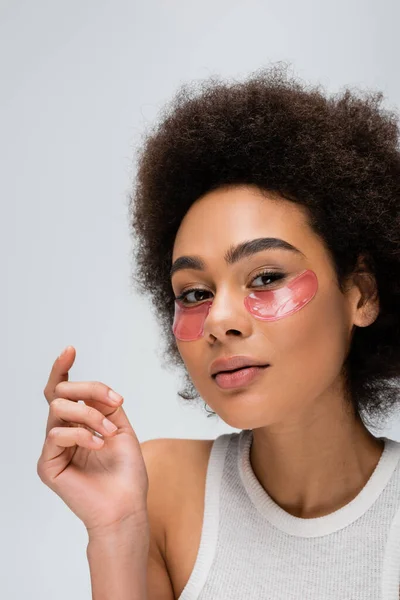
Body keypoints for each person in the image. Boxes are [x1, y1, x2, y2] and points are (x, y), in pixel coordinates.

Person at [37, 64, 400, 599]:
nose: (219, 321)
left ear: (362, 294)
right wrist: (115, 529)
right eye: (194, 293)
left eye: (267, 277)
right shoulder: (154, 490)